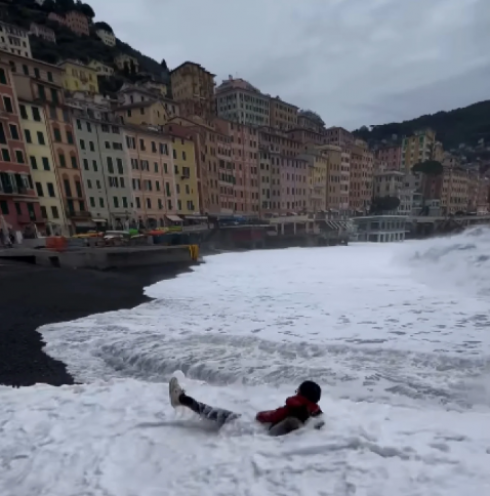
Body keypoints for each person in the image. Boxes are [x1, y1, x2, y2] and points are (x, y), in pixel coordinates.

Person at [169, 377, 323, 436]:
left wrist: (262, 414)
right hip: (256, 430)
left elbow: (265, 417)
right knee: (215, 413)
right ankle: (183, 399)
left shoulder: (294, 407)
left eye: (297, 391)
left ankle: (181, 399)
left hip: (250, 428)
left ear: (301, 395)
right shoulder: (312, 413)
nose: (295, 393)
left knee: (213, 412)